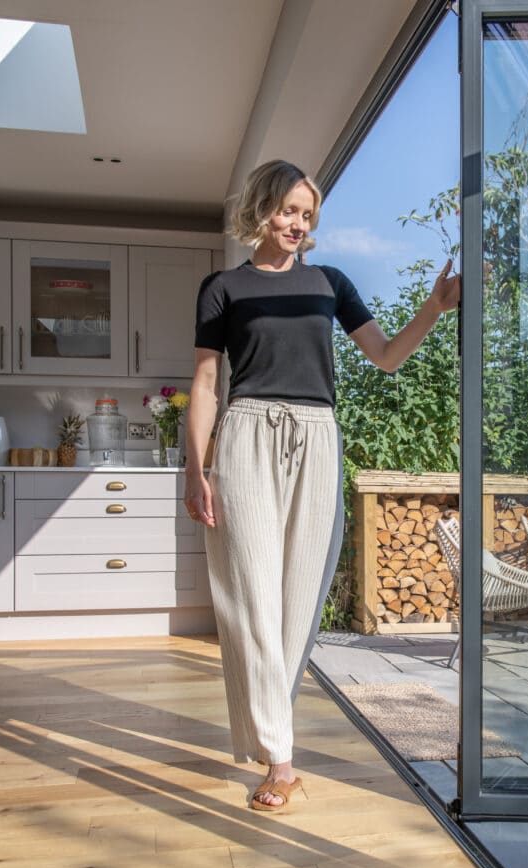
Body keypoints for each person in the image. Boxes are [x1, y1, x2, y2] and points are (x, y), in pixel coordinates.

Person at [184, 160, 460, 811]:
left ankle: (270, 739)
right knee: (252, 597)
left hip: (316, 436)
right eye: (287, 210)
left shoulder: (329, 282)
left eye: (307, 215)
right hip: (247, 433)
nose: (297, 224)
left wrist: (434, 307)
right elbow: (204, 384)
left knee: (299, 600)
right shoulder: (221, 287)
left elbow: (385, 355)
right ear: (261, 208)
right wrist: (195, 468)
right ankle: (281, 762)